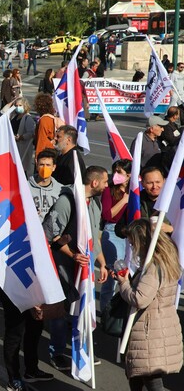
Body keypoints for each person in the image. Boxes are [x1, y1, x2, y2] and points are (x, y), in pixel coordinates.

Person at [42, 166, 109, 370]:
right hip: (64, 268)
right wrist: (72, 255)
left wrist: (102, 263)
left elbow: (93, 238)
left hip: (84, 271)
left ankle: (80, 348)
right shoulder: (67, 201)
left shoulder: (94, 202)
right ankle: (57, 352)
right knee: (62, 311)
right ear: (95, 183)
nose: (107, 186)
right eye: (105, 182)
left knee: (81, 309)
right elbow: (49, 234)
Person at [116, 219, 183, 391]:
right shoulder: (167, 259)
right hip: (160, 324)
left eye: (133, 243)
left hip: (149, 330)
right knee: (137, 374)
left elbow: (140, 299)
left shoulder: (154, 266)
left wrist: (123, 283)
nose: (132, 247)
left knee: (151, 379)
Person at [100, 159, 131, 311]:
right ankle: (106, 313)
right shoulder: (109, 190)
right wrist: (124, 200)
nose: (116, 175)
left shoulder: (135, 191)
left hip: (130, 235)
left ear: (130, 175)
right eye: (115, 171)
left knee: (129, 275)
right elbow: (107, 215)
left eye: (120, 172)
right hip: (112, 232)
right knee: (113, 276)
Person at [28, 149, 64, 222]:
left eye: (48, 165)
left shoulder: (61, 190)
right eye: (41, 165)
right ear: (37, 165)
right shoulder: (25, 187)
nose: (44, 168)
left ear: (53, 167)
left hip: (50, 231)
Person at [13, 97, 37, 177]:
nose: (18, 107)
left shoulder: (27, 118)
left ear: (25, 106)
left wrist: (21, 137)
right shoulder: (14, 116)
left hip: (23, 146)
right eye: (16, 105)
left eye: (20, 105)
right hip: (14, 145)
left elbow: (31, 133)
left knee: (22, 169)